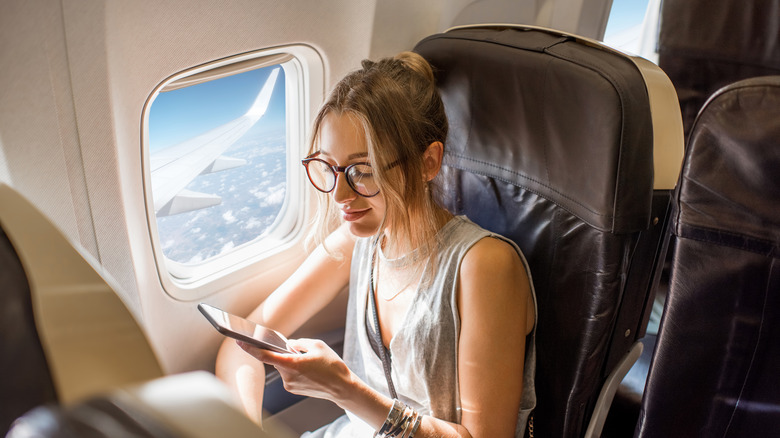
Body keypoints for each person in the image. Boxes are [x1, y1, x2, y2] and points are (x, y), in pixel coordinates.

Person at [215, 51, 537, 438]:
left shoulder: (485, 266)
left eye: (361, 171)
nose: (339, 195)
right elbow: (240, 342)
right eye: (330, 169)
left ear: (428, 163)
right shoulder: (355, 243)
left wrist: (345, 389)